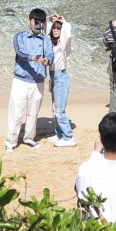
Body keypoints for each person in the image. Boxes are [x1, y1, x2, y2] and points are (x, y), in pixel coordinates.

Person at [6, 8, 54, 151]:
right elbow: (19, 52)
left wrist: (47, 61)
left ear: (45, 23)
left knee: (33, 113)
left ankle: (29, 138)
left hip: (38, 81)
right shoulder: (19, 36)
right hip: (20, 80)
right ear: (29, 20)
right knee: (16, 112)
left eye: (41, 22)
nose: (38, 24)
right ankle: (11, 142)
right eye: (35, 21)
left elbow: (51, 55)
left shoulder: (46, 40)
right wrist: (32, 58)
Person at [49, 11, 76, 148]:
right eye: (54, 27)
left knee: (59, 109)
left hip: (61, 77)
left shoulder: (63, 45)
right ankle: (59, 133)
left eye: (58, 28)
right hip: (53, 76)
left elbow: (68, 34)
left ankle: (68, 136)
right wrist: (51, 19)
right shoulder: (52, 43)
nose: (55, 30)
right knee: (54, 108)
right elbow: (46, 31)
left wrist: (64, 22)